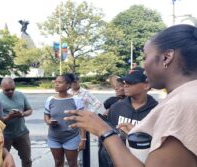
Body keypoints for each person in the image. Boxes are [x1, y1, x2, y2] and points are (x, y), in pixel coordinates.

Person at [64, 24, 197, 166]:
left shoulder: (182, 104)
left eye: (145, 57)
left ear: (167, 57)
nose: (143, 65)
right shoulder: (189, 95)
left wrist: (105, 132)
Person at [99, 67, 158, 167]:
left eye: (131, 82)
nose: (125, 85)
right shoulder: (116, 107)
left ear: (147, 85)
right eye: (125, 82)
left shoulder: (156, 111)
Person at [44, 73, 85, 167]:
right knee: (58, 163)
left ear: (68, 85)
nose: (56, 84)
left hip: (72, 137)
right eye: (56, 82)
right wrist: (49, 121)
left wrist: (83, 139)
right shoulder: (50, 99)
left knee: (72, 164)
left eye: (60, 82)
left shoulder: (76, 100)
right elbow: (46, 116)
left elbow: (82, 121)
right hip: (54, 138)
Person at [0, 77, 33, 167]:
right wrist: (9, 117)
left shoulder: (20, 95)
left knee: (27, 159)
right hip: (5, 135)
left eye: (12, 89)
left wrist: (23, 114)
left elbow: (29, 110)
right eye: (7, 90)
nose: (10, 91)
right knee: (2, 160)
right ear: (1, 87)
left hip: (22, 133)